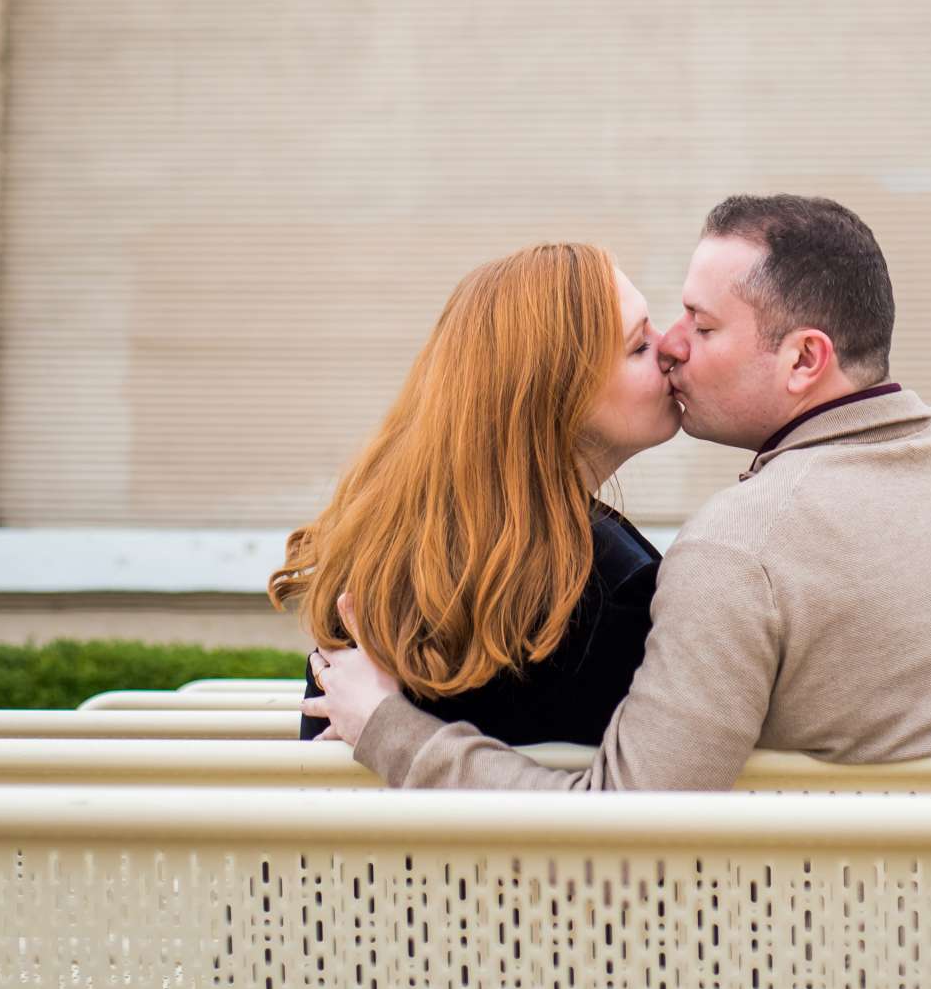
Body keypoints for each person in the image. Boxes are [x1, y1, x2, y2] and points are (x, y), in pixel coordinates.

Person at [307, 192, 931, 785]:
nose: (675, 350)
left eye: (698, 326)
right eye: (645, 341)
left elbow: (630, 826)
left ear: (802, 360)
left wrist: (390, 730)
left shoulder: (737, 549)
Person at [275, 239, 679, 747]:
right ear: (556, 393)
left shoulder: (384, 558)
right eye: (639, 346)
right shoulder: (612, 591)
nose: (673, 348)